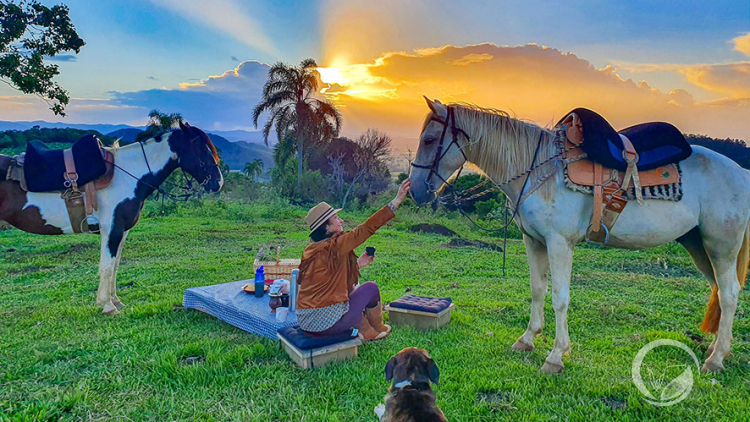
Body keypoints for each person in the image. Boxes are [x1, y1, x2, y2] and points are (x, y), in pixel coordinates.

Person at [296, 179, 412, 341]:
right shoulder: (334, 246)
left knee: (352, 294)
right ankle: (375, 329)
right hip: (326, 324)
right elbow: (365, 229)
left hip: (307, 322)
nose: (341, 220)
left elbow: (328, 278)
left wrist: (357, 265)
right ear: (327, 228)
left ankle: (367, 329)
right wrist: (397, 201)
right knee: (370, 288)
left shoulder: (312, 249)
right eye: (336, 218)